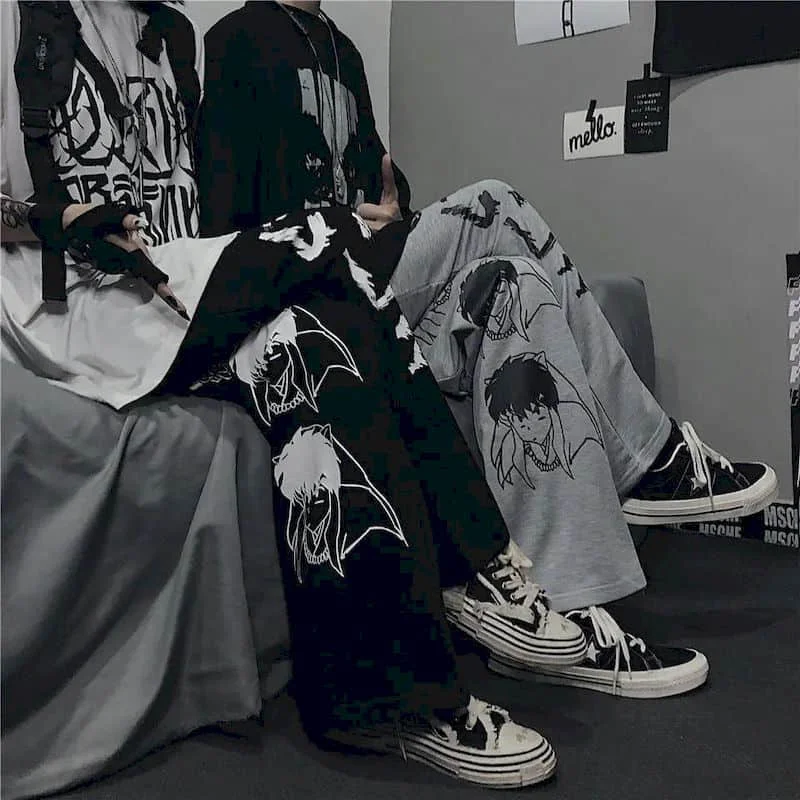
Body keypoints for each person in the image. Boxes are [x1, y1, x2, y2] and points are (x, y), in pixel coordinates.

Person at [0, 0, 624, 789]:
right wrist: (54, 216)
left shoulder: (169, 33)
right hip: (66, 309)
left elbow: (194, 208)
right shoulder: (20, 18)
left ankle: (380, 703)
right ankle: (475, 559)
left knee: (316, 334)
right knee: (327, 239)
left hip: (168, 290)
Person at [197, 0, 779, 700]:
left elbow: (378, 184)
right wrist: (338, 229)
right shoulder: (234, 39)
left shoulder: (342, 49)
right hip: (304, 290)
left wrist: (392, 210)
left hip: (371, 286)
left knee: (514, 283)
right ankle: (648, 454)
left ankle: (561, 611)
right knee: (495, 204)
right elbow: (223, 229)